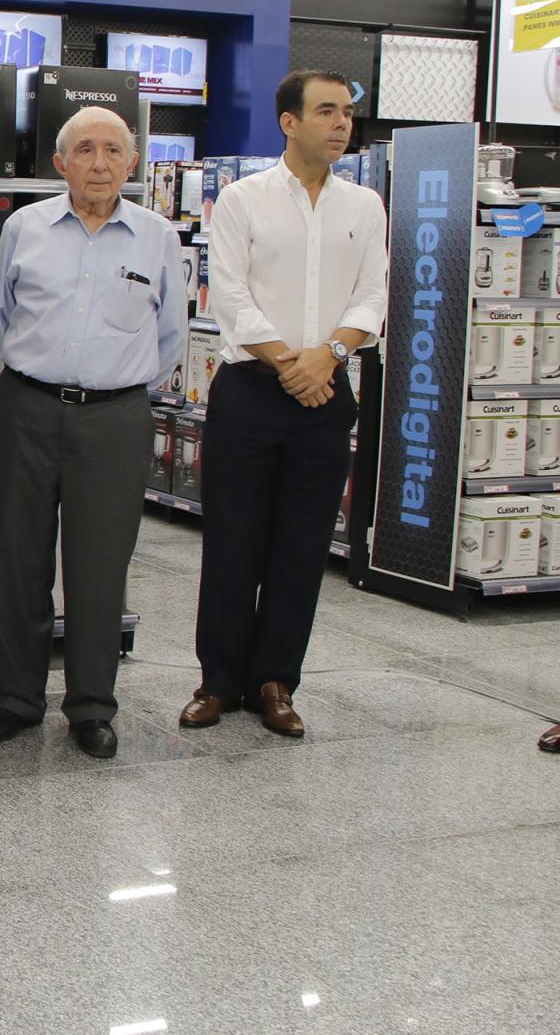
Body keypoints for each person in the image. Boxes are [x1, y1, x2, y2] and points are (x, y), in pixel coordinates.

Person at [180, 71, 387, 737]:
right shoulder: (242, 200)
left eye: (348, 114)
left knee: (302, 545)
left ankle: (275, 682)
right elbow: (231, 297)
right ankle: (218, 681)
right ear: (289, 122)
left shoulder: (365, 207)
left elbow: (373, 297)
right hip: (252, 388)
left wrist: (329, 353)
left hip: (327, 388)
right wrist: (293, 363)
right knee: (235, 538)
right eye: (327, 111)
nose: (341, 124)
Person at [0, 107, 185, 759]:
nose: (99, 162)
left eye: (113, 150)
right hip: (28, 407)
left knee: (99, 569)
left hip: (116, 416)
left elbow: (171, 336)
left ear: (132, 163)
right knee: (19, 558)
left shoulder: (158, 237)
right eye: (84, 150)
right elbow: (1, 317)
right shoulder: (24, 227)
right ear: (60, 162)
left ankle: (92, 707)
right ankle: (16, 699)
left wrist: (112, 385)